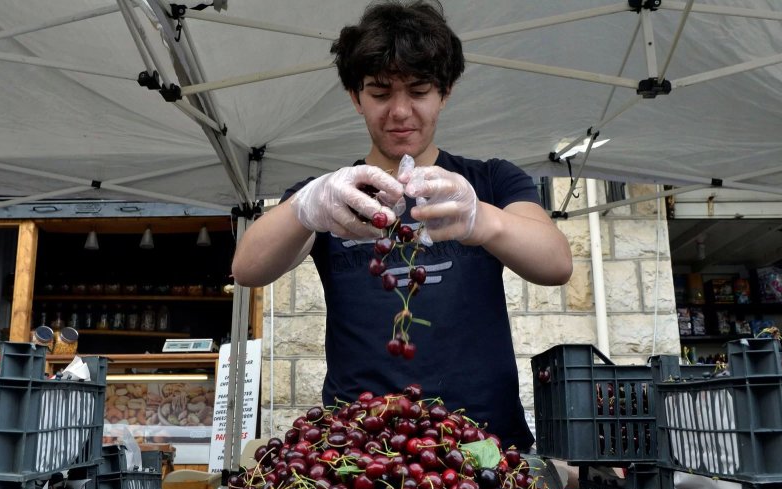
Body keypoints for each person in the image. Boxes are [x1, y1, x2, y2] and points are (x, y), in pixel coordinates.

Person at [231, 0, 572, 452]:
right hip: (359, 449)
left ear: (445, 92)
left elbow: (555, 263)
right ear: (355, 97)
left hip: (484, 445)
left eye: (418, 90)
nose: (400, 111)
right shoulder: (335, 194)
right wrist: (304, 207)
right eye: (379, 92)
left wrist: (481, 219)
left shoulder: (491, 180)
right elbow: (247, 268)